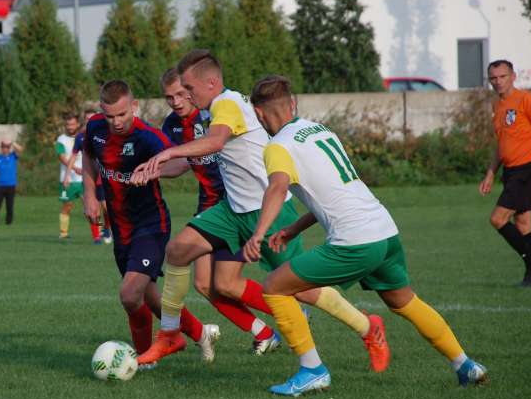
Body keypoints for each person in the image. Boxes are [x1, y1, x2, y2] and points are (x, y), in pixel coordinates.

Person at [134, 51, 388, 372]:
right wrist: (157, 169)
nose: (185, 94)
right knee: (179, 250)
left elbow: (214, 143)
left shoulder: (225, 105)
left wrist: (167, 151)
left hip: (265, 210)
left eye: (188, 87)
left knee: (304, 290)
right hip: (232, 209)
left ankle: (368, 327)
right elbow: (203, 155)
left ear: (211, 83)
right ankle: (170, 333)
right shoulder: (211, 109)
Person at [241, 75, 487, 395]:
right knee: (404, 301)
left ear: (259, 114)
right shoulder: (320, 131)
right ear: (293, 103)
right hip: (384, 231)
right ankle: (466, 365)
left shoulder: (278, 146)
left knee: (274, 286)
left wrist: (258, 233)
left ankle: (312, 370)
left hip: (355, 241)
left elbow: (277, 187)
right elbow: (334, 192)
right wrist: (292, 229)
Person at [81, 79, 218, 364]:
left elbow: (181, 163)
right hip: (121, 228)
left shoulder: (147, 137)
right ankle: (199, 333)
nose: (116, 122)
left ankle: (143, 359)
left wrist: (155, 171)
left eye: (122, 114)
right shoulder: (95, 128)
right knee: (150, 298)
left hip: (151, 225)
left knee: (130, 295)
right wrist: (90, 194)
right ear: (101, 112)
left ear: (134, 106)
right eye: (110, 116)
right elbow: (88, 155)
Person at [159, 68, 277, 354]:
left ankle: (289, 314)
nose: (176, 101)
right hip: (209, 204)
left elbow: (221, 144)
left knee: (227, 283)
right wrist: (151, 170)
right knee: (205, 284)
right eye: (169, 97)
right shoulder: (173, 126)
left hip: (234, 205)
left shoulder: (213, 113)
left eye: (181, 93)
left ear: (192, 89)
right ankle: (264, 332)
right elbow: (182, 165)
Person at [479, 59, 531, 286]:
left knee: (498, 219)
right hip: (511, 171)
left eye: (502, 76)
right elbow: (502, 145)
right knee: (523, 224)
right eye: (493, 78)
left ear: (513, 77)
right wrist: (491, 173)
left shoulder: (525, 99)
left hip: (528, 167)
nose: (498, 82)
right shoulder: (498, 106)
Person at [65, 117, 112, 244]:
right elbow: (73, 156)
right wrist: (67, 175)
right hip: (88, 178)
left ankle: (106, 228)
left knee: (106, 208)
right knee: (91, 209)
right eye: (86, 120)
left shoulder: (103, 134)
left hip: (102, 178)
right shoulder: (80, 138)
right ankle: (96, 236)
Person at [56, 113, 83, 240]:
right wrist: (74, 168)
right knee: (67, 206)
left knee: (91, 206)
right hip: (67, 180)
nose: (70, 127)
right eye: (68, 124)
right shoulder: (61, 140)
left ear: (77, 124)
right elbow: (61, 157)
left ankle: (99, 232)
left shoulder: (84, 137)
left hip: (83, 179)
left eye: (72, 124)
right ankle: (63, 233)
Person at [0, 138, 23, 226]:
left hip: (11, 186)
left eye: (7, 147)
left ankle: (8, 224)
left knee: (9, 207)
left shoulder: (13, 156)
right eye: (3, 147)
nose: (5, 148)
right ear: (1, 147)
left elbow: (20, 149)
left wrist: (12, 142)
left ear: (9, 148)